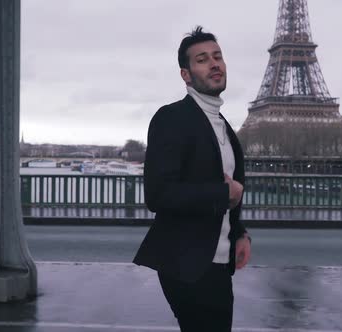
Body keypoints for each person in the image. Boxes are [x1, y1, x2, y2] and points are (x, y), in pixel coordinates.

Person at [133, 26, 251, 332]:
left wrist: (239, 233)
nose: (214, 64)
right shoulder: (171, 118)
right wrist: (222, 193)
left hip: (217, 262)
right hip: (188, 264)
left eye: (217, 56)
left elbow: (225, 190)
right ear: (186, 75)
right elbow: (158, 195)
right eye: (202, 59)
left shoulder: (222, 124)